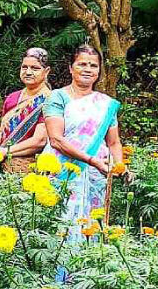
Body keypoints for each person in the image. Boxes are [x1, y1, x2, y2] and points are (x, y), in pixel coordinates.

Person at [42, 44, 126, 247]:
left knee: (92, 224)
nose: (88, 69)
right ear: (71, 68)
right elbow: (56, 140)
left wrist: (120, 166)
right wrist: (91, 160)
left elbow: (114, 142)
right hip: (61, 172)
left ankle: (88, 263)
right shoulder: (57, 97)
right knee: (60, 223)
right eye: (82, 64)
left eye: (93, 65)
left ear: (99, 71)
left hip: (97, 175)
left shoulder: (105, 104)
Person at [0, 47, 52, 172]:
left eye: (35, 68)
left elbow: (39, 141)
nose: (28, 72)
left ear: (46, 71)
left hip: (29, 167)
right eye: (24, 67)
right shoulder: (12, 98)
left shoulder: (50, 100)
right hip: (1, 162)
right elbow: (2, 131)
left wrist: (4, 151)